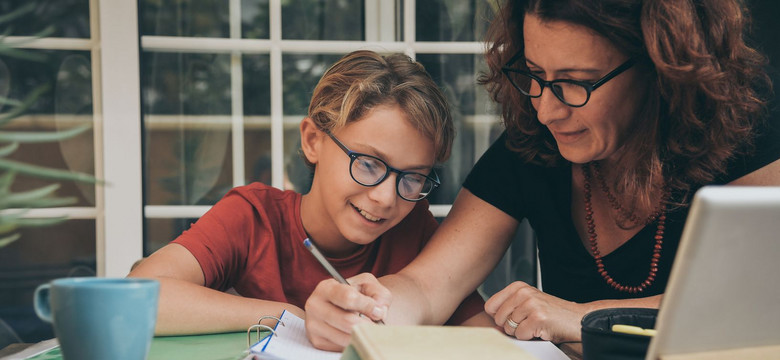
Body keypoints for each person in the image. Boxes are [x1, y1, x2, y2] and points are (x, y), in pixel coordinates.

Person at [304, 0, 780, 349]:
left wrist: (582, 317)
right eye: (534, 74)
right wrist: (370, 307)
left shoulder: (745, 141)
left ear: (660, 68)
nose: (546, 109)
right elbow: (429, 286)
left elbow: (761, 305)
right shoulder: (532, 145)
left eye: (573, 83)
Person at [128, 50, 489, 335]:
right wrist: (291, 317)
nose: (386, 197)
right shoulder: (253, 218)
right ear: (313, 140)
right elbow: (135, 298)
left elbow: (485, 338)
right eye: (367, 163)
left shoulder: (415, 231)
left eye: (412, 177)